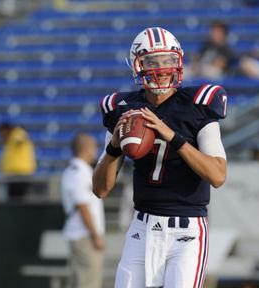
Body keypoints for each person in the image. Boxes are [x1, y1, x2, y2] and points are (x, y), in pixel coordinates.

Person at [93, 27, 227, 288]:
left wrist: (173, 137)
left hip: (186, 232)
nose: (162, 68)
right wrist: (114, 147)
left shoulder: (199, 105)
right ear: (137, 65)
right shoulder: (124, 109)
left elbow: (218, 175)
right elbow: (100, 189)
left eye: (168, 60)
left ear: (178, 61)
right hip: (142, 227)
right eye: (152, 62)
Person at [61, 133, 105, 288]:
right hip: (84, 235)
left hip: (80, 234)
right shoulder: (80, 172)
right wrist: (95, 235)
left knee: (79, 279)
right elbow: (83, 206)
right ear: (86, 148)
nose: (95, 151)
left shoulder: (75, 170)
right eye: (94, 146)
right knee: (89, 280)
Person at [0, 122, 36, 199]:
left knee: (20, 201)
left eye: (1, 132)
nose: (0, 136)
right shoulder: (8, 142)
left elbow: (22, 137)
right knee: (13, 200)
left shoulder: (16, 134)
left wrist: (17, 134)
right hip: (12, 175)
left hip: (21, 175)